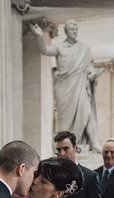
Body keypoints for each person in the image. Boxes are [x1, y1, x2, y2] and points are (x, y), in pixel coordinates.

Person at [31, 20, 104, 152]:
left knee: (87, 113)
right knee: (65, 122)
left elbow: (89, 69)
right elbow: (45, 50)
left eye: (76, 29)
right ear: (66, 31)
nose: (74, 32)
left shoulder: (84, 49)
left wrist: (94, 74)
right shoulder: (60, 47)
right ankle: (65, 146)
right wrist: (39, 36)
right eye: (71, 29)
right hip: (64, 88)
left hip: (80, 86)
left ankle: (94, 143)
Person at [55, 130, 102, 198]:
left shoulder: (90, 176)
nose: (62, 153)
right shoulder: (52, 177)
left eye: (66, 148)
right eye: (58, 149)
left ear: (75, 148)